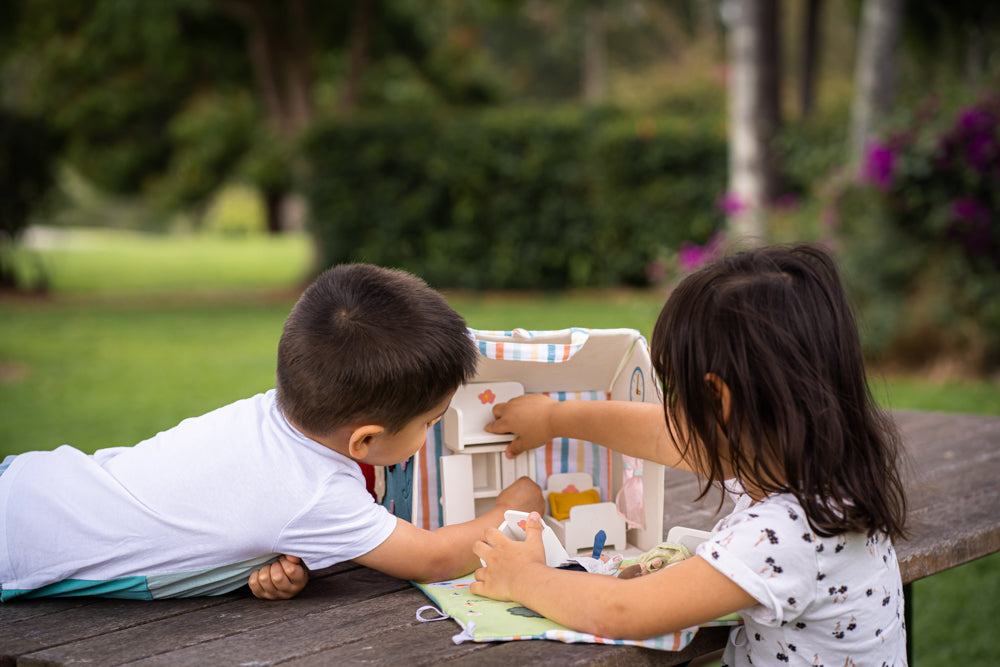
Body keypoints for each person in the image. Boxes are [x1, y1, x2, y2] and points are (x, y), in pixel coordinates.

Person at [0, 263, 544, 602]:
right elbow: (434, 558)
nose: (431, 432)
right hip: (22, 548)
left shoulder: (276, 415)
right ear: (363, 441)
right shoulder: (314, 493)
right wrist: (514, 510)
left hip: (38, 481)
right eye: (429, 422)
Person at [473, 244, 908, 666]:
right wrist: (554, 418)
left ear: (719, 400)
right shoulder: (814, 477)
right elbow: (661, 434)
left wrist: (523, 577)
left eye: (676, 393)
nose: (672, 411)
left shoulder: (782, 535)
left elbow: (621, 610)